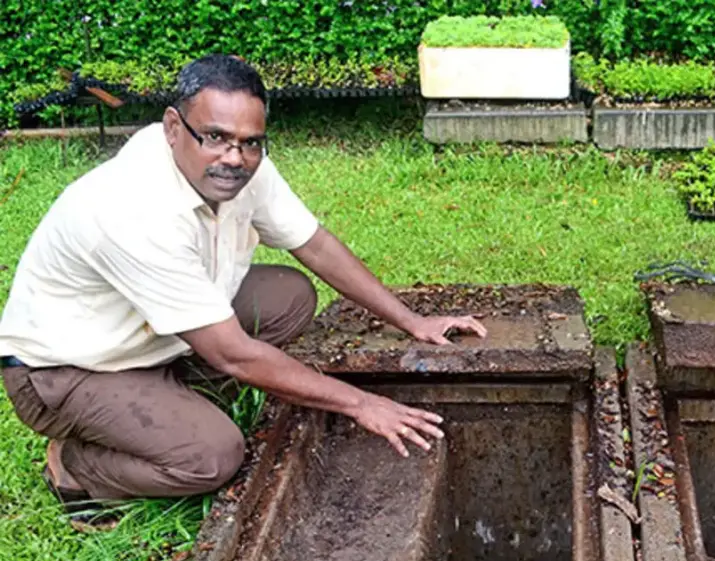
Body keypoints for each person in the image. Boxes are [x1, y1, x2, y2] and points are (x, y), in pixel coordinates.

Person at [0, 54, 486, 527]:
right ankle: (75, 466)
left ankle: (167, 402)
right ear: (173, 127)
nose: (234, 158)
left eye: (251, 143)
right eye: (215, 138)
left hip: (147, 337)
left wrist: (412, 321)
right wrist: (362, 403)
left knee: (290, 297)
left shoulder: (243, 166)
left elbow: (314, 245)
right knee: (213, 456)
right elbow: (235, 356)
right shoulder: (132, 211)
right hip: (67, 371)